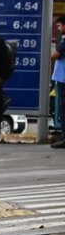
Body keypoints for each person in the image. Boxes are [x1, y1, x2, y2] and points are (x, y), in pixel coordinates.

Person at [51, 15, 65, 148]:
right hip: (61, 78)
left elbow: (55, 55)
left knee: (63, 108)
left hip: (63, 79)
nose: (59, 29)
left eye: (60, 26)